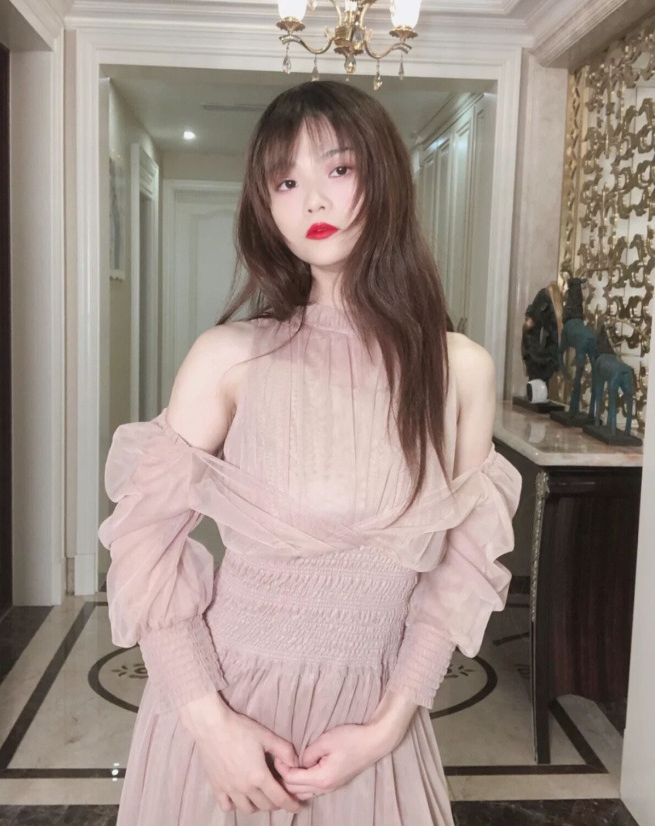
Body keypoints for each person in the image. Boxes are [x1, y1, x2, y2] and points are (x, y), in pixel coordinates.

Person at [98, 79, 522, 825]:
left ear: (385, 178)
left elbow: (457, 575)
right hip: (226, 719)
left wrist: (386, 727)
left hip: (370, 730)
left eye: (339, 168)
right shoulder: (229, 356)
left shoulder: (459, 371)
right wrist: (210, 726)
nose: (312, 201)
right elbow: (144, 548)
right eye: (285, 182)